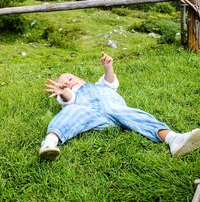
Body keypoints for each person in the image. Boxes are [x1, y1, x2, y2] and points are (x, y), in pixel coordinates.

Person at [39, 52, 200, 160]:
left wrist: (108, 67)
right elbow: (69, 99)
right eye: (64, 81)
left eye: (71, 78)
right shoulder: (71, 95)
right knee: (71, 111)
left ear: (82, 79)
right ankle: (49, 143)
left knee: (135, 115)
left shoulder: (98, 85)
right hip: (91, 117)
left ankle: (174, 139)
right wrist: (63, 91)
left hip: (116, 111)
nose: (68, 81)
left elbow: (110, 81)